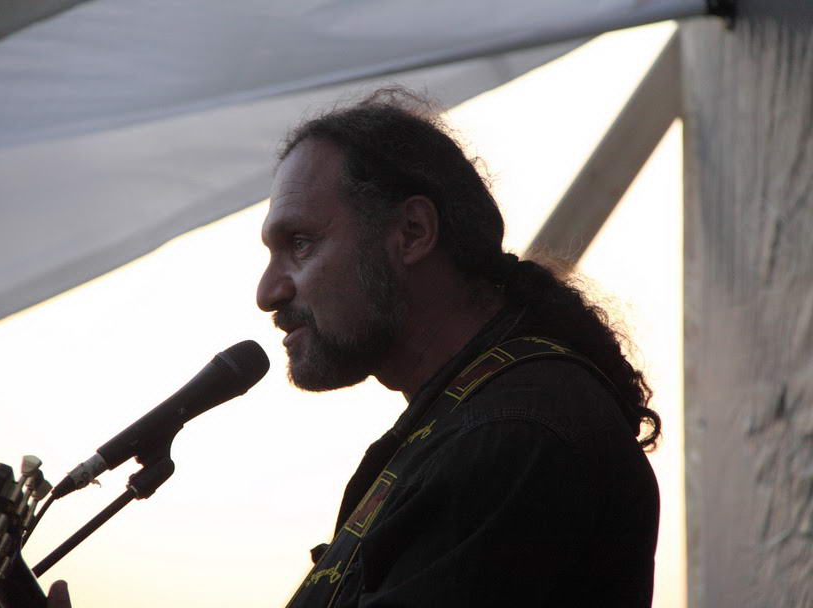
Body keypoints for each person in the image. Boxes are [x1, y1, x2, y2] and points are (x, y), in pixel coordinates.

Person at [48, 88, 660, 607]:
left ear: (411, 233)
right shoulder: (467, 425)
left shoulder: (510, 435)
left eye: (301, 243)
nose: (268, 292)